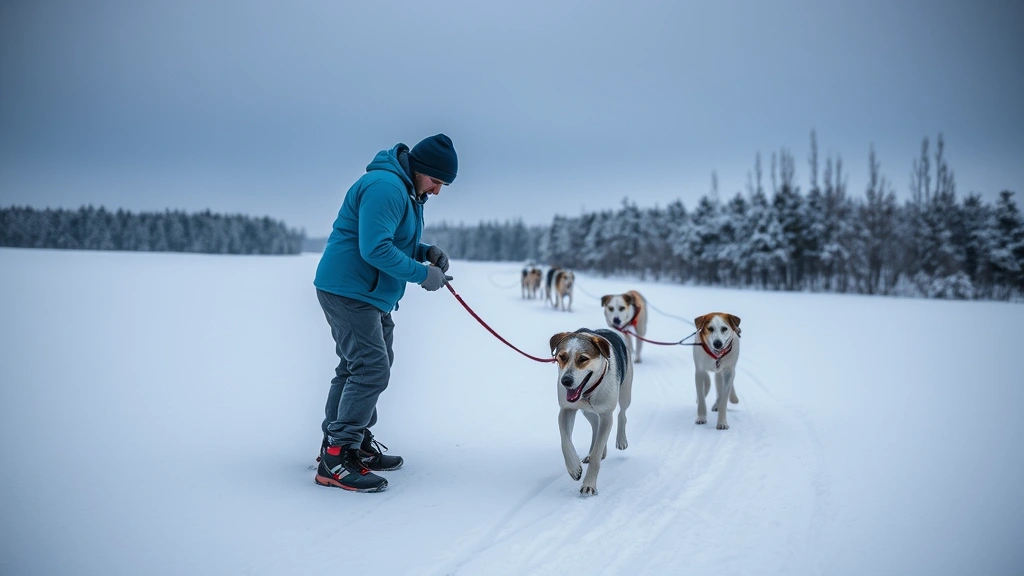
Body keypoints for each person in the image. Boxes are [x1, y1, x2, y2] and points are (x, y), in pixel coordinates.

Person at [312, 134, 457, 492]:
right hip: (350, 289)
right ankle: (337, 455)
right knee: (370, 367)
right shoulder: (387, 187)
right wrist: (424, 275)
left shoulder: (407, 190)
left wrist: (424, 252)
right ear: (421, 169)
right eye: (436, 181)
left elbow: (392, 238)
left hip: (370, 292)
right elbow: (375, 248)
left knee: (360, 366)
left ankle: (349, 441)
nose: (437, 191)